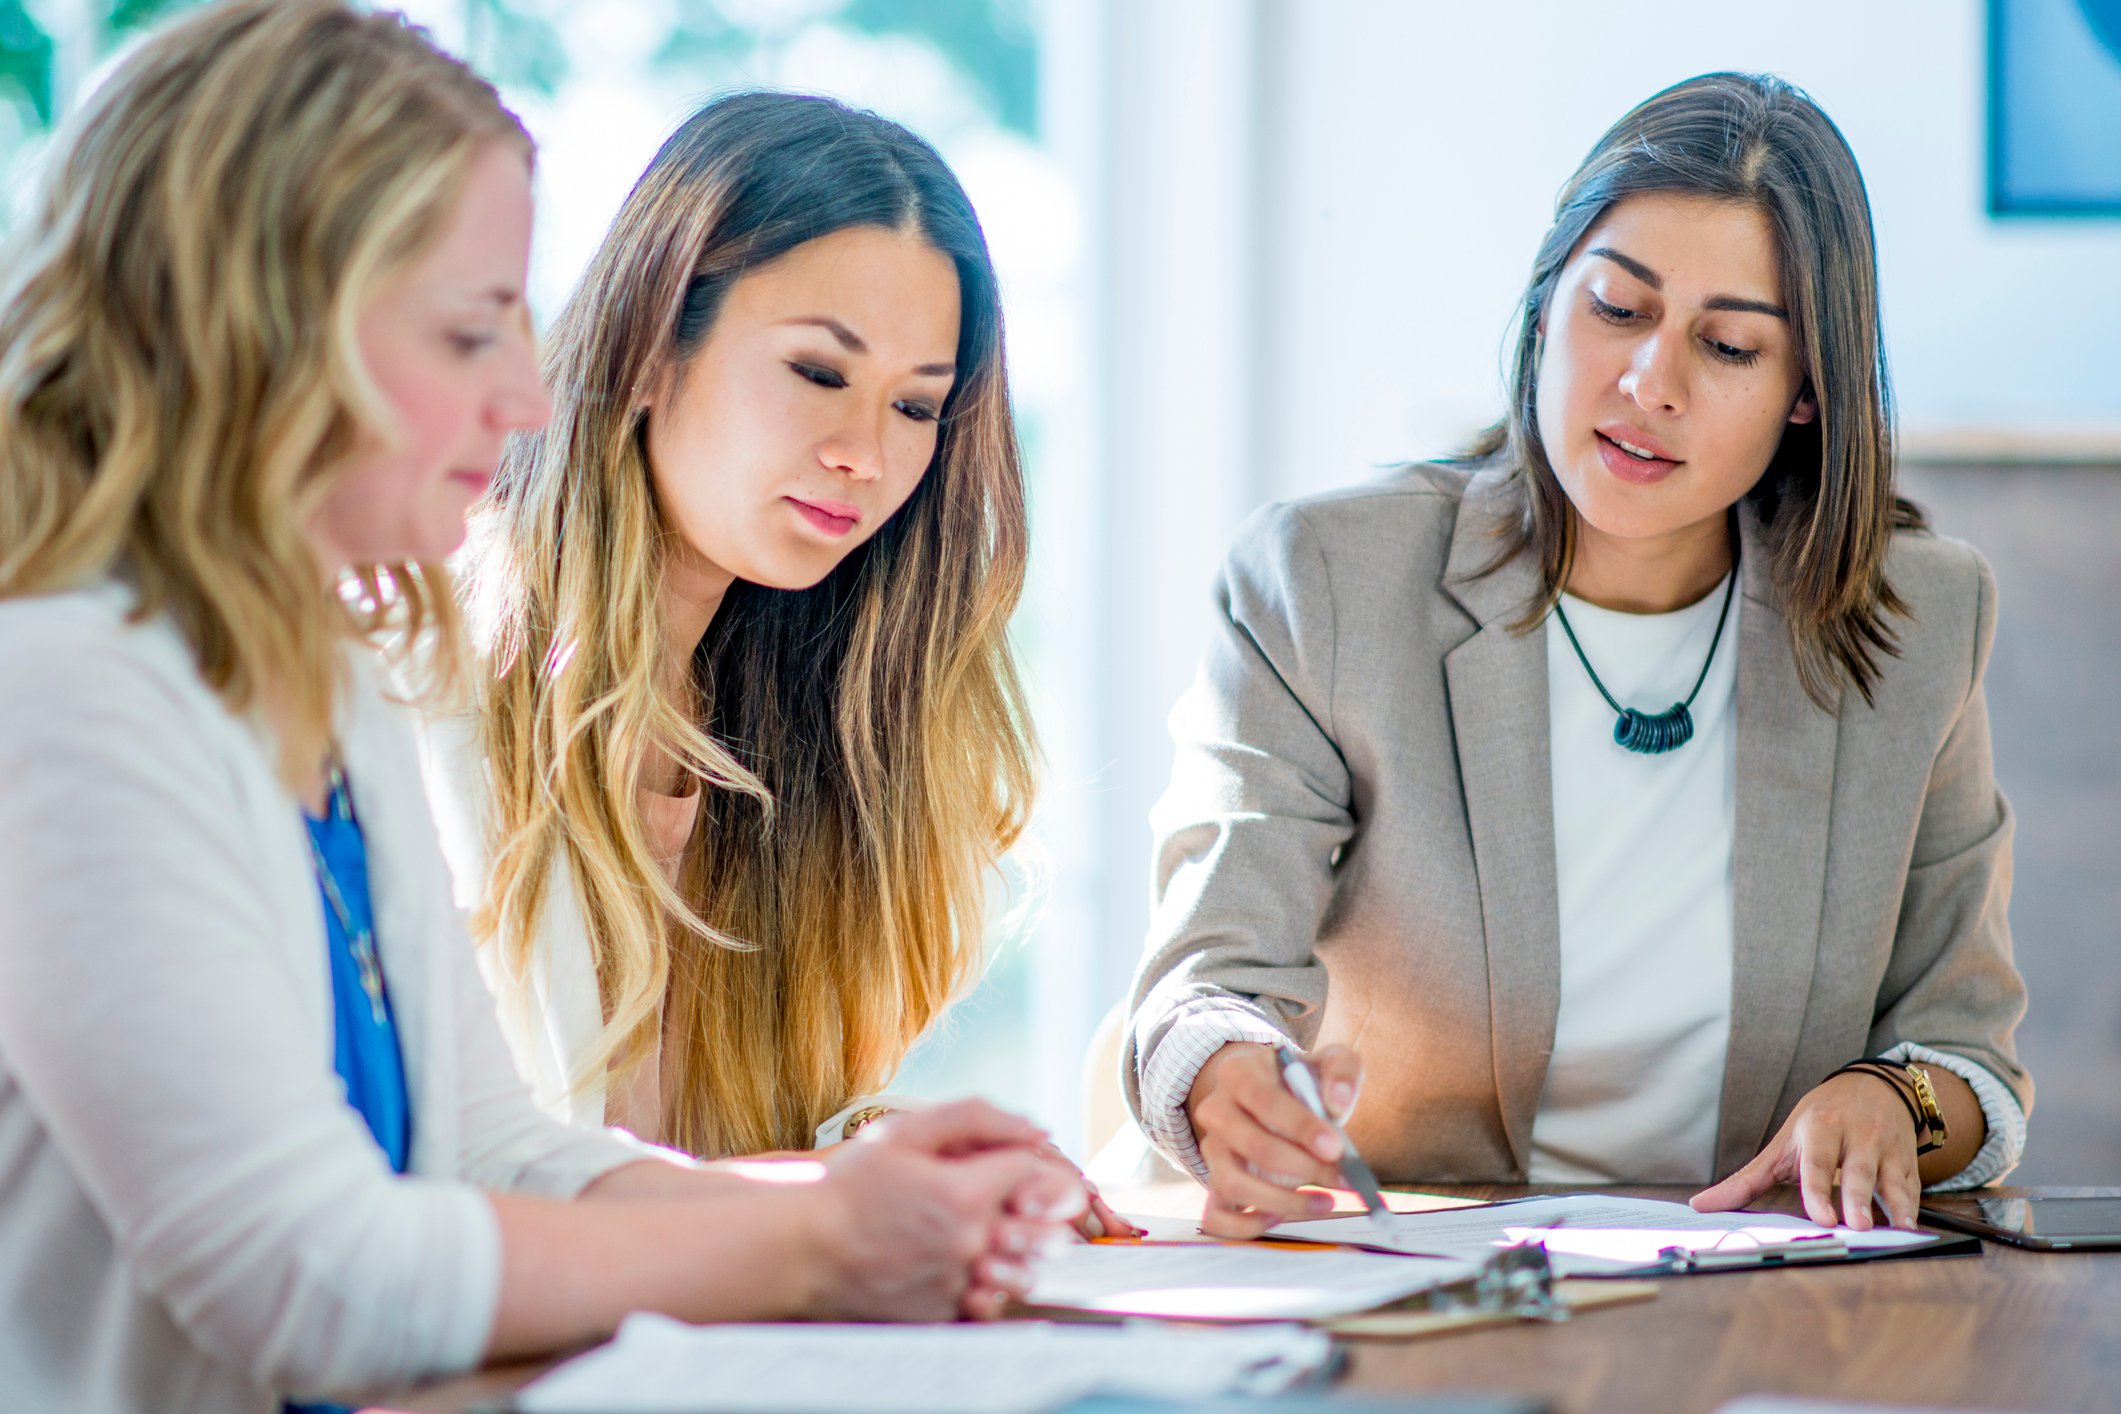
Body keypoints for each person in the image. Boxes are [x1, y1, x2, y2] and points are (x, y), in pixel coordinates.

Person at [0, 6, 1079, 1411]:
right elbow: (304, 1274)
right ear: (247, 326)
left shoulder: (315, 670)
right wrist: (816, 1238)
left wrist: (864, 1203)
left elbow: (494, 1147)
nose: (526, 396)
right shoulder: (64, 690)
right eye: (467, 332)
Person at [1124, 72, 2030, 1240]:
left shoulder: (1920, 620)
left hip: (1749, 1292)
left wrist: (1891, 1100)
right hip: (1404, 1264)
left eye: (1730, 345)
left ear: (1807, 392)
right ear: (1549, 304)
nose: (1653, 382)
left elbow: (1971, 1058)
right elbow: (1206, 981)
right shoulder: (1323, 580)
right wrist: (1229, 1074)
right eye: (1616, 308)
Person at [426, 91, 1131, 1235]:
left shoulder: (800, 729)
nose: (865, 453)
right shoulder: (446, 690)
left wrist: (883, 1147)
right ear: (651, 344)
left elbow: (724, 1153)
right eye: (816, 371)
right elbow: (475, 1180)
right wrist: (826, 1194)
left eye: (915, 404)